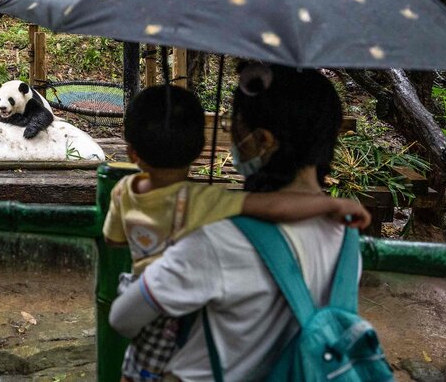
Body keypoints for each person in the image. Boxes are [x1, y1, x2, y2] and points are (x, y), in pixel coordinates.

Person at [109, 64, 363, 381]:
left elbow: (123, 318)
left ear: (262, 140)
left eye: (233, 127)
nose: (232, 139)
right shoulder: (346, 235)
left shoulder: (221, 240)